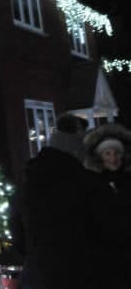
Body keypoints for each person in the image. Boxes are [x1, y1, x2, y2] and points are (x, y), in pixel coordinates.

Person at [8, 114, 106, 289]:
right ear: (77, 148)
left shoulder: (28, 181)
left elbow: (17, 232)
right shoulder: (88, 183)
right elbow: (108, 231)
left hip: (39, 276)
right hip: (83, 276)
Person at [82, 123, 131, 289]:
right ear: (99, 157)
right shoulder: (92, 184)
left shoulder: (127, 180)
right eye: (107, 153)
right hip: (104, 257)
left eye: (117, 153)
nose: (113, 157)